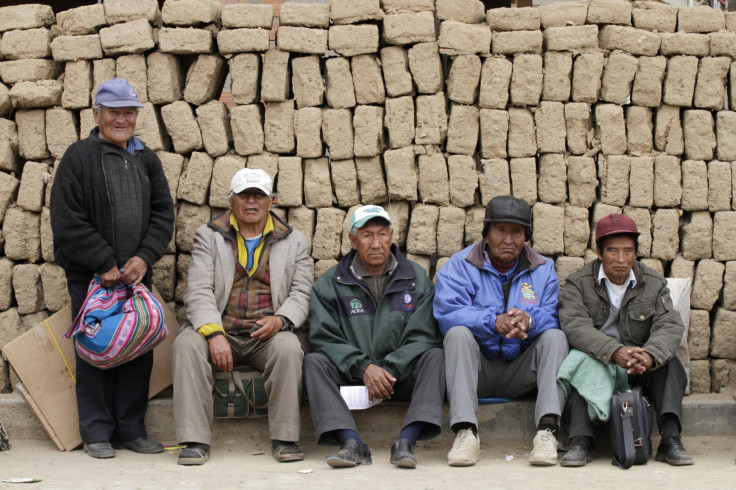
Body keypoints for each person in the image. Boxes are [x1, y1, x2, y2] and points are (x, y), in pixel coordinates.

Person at [49, 78, 175, 459]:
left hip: (136, 277)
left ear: (137, 117)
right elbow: (66, 220)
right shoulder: (78, 157)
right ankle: (97, 432)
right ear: (97, 114)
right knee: (95, 350)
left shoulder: (146, 159)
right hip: (92, 279)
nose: (122, 119)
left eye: (129, 113)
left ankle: (131, 430)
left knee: (138, 351)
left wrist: (144, 257)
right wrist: (103, 261)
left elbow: (162, 214)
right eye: (114, 112)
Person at [171, 168, 312, 465]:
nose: (251, 201)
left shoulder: (293, 241)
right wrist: (213, 333)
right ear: (231, 200)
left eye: (258, 195)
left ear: (271, 201)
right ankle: (195, 440)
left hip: (267, 333)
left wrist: (280, 321)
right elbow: (198, 290)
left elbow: (302, 293)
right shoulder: (208, 236)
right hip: (220, 328)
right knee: (185, 346)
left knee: (289, 349)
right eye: (244, 195)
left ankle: (285, 438)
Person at [304, 205, 444, 469]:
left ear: (392, 238)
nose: (376, 243)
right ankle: (351, 441)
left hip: (400, 377)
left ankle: (407, 440)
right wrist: (364, 367)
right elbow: (324, 338)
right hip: (355, 376)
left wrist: (387, 370)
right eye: (367, 235)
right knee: (314, 362)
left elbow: (424, 336)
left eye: (382, 234)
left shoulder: (416, 279)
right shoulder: (330, 284)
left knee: (435, 356)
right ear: (353, 240)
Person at [434, 195, 568, 467]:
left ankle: (547, 431)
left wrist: (529, 321)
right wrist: (491, 321)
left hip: (521, 370)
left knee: (556, 337)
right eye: (501, 230)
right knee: (457, 334)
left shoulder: (543, 269)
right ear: (486, 233)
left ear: (526, 237)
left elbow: (555, 316)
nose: (509, 239)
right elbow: (447, 313)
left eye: (517, 231)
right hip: (476, 371)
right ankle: (466, 432)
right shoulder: (460, 266)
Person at [558, 214, 693, 467]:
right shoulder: (579, 283)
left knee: (670, 364)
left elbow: (669, 324)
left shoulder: (653, 283)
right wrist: (613, 351)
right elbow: (575, 327)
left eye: (628, 251)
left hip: (638, 365)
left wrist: (651, 355)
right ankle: (581, 440)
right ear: (599, 252)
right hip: (600, 361)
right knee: (578, 365)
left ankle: (671, 439)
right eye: (613, 251)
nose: (621, 259)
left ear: (635, 253)